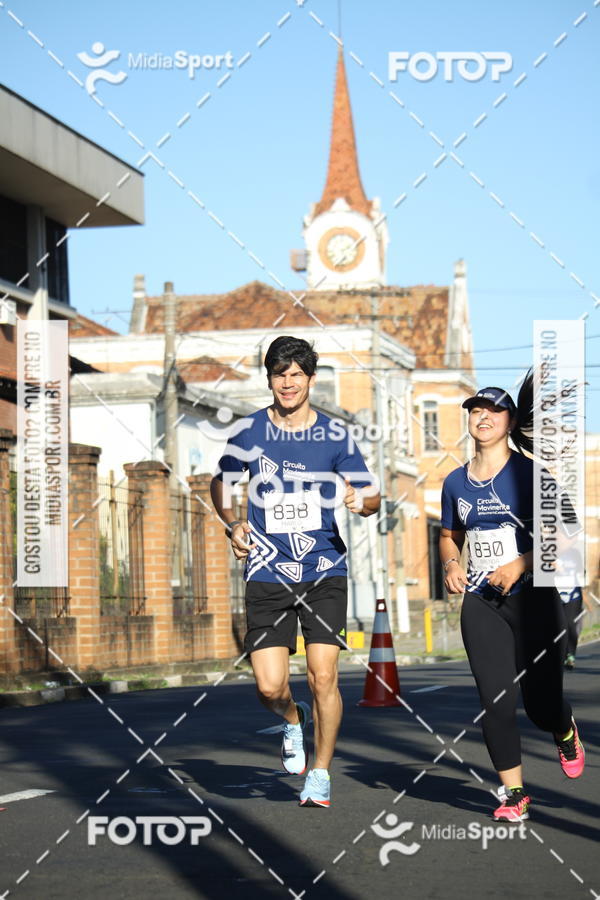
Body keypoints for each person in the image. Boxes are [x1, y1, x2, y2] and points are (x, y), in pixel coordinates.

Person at [210, 335, 380, 808]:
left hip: (324, 567)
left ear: (310, 379)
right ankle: (291, 719)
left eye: (296, 374)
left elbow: (372, 497)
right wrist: (233, 521)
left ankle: (321, 774)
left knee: (323, 676)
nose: (287, 383)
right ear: (269, 379)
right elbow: (221, 483)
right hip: (266, 572)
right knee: (269, 686)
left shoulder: (334, 436)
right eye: (279, 374)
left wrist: (358, 498)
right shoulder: (248, 432)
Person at [439, 380, 585, 823]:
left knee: (541, 703)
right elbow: (450, 537)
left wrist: (520, 564)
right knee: (496, 700)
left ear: (511, 422)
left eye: (493, 411)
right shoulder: (454, 482)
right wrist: (450, 564)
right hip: (482, 602)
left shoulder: (532, 475)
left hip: (535, 600)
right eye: (475, 410)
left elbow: (566, 537)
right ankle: (514, 793)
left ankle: (563, 727)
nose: (482, 417)